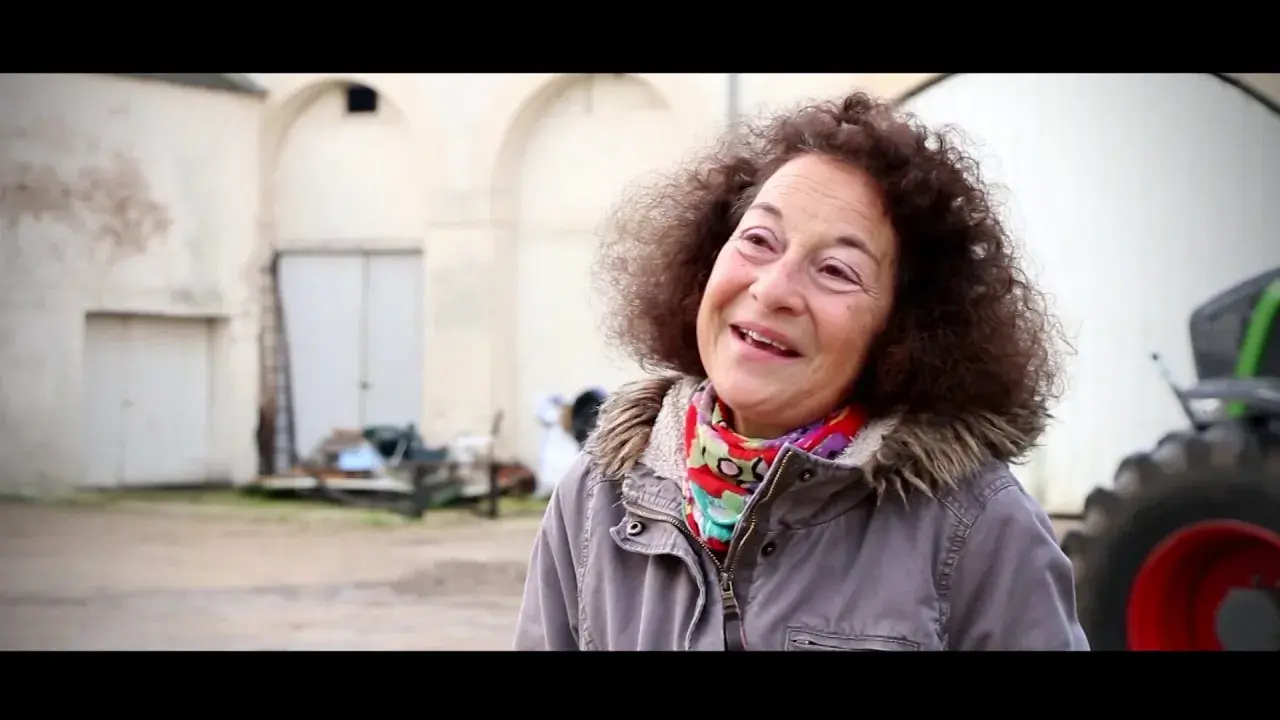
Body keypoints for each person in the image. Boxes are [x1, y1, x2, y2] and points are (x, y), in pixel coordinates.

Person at [514, 91, 1090, 651]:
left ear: (903, 328)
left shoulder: (979, 528)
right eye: (759, 239)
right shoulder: (596, 495)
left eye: (837, 270)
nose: (773, 289)